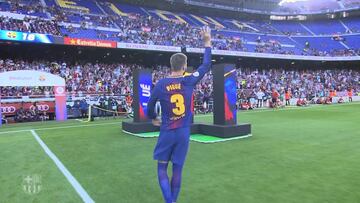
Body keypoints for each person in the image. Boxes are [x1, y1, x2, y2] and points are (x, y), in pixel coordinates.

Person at [147, 26, 212, 203]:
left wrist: (153, 117)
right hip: (183, 132)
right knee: (177, 170)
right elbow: (206, 65)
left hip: (167, 131)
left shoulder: (161, 84)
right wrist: (207, 42)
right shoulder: (188, 80)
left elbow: (150, 105)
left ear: (171, 66)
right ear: (184, 67)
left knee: (161, 169)